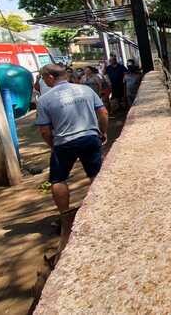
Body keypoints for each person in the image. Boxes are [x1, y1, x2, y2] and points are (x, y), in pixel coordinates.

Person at [35, 64, 108, 248]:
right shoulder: (85, 90)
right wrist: (102, 132)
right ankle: (102, 210)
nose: (43, 81)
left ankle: (65, 217)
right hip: (90, 137)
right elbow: (103, 112)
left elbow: (44, 130)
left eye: (43, 78)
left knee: (58, 180)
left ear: (50, 77)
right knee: (95, 175)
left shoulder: (45, 100)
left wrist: (53, 145)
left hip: (63, 142)